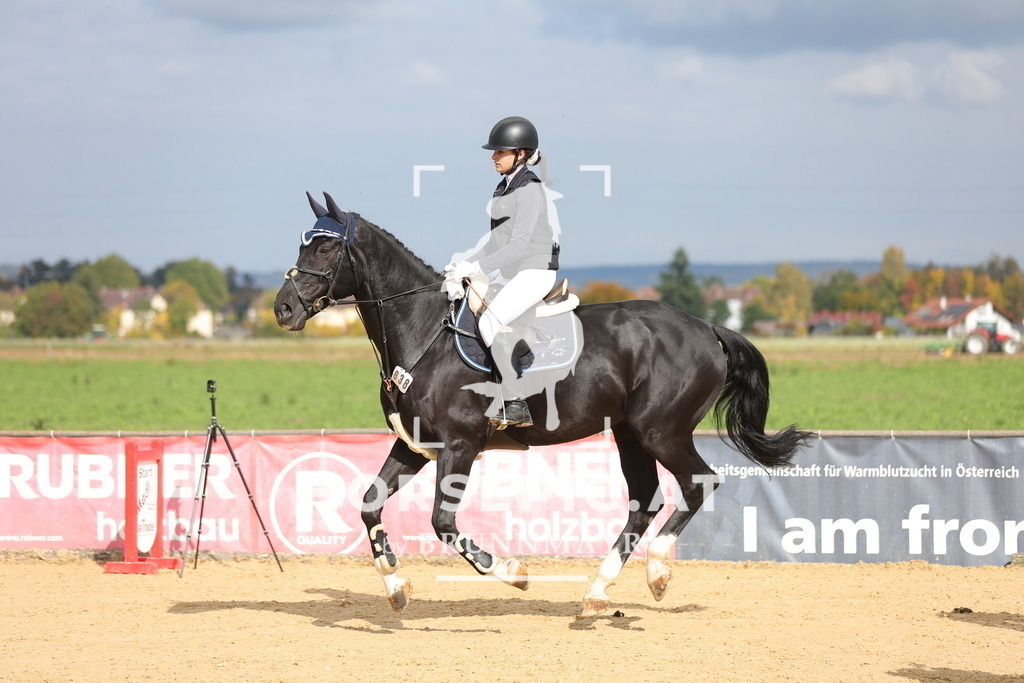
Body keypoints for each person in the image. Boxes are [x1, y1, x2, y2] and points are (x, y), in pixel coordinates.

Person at [444, 116, 561, 427]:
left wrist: (477, 267)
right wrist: (463, 264)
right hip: (513, 272)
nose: (493, 157)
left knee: (490, 323)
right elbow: (496, 243)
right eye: (494, 152)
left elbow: (519, 245)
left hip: (535, 270)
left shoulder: (529, 189)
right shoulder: (503, 188)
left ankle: (515, 403)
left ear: (520, 154)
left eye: (500, 152)